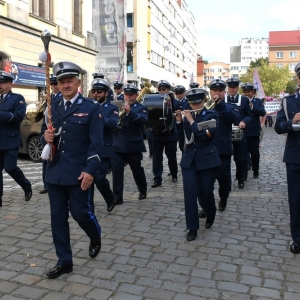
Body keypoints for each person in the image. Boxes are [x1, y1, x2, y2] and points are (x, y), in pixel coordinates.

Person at [41, 62, 103, 278]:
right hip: (55, 172)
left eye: (69, 81)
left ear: (78, 82)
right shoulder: (52, 105)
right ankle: (64, 261)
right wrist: (45, 138)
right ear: (57, 84)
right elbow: (44, 135)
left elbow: (97, 144)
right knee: (57, 218)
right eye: (61, 82)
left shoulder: (91, 107)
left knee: (81, 213)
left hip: (79, 173)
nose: (65, 85)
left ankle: (95, 236)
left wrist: (90, 170)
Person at [175, 88, 221, 241]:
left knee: (206, 192)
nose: (195, 106)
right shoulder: (188, 115)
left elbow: (204, 136)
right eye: (192, 103)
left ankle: (210, 212)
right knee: (190, 194)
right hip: (189, 160)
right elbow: (181, 137)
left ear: (203, 101)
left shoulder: (211, 115)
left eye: (198, 102)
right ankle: (192, 228)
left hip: (207, 159)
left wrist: (191, 121)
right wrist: (179, 121)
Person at [275, 62, 300, 254]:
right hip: (294, 156)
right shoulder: (288, 101)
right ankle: (297, 238)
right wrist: (292, 122)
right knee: (296, 200)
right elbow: (278, 127)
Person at [0, 71, 32, 207]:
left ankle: (26, 185)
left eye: (2, 83)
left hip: (10, 140)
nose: (0, 86)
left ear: (9, 83)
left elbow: (18, 117)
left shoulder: (17, 98)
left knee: (10, 168)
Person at [112, 84, 148, 205]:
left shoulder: (141, 107)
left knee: (137, 170)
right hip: (118, 143)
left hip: (133, 145)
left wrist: (130, 112)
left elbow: (142, 121)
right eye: (126, 95)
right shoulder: (117, 105)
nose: (128, 97)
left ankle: (142, 190)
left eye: (131, 95)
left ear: (136, 95)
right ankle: (117, 196)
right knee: (117, 171)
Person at [207, 79, 238, 211]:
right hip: (206, 147)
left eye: (220, 91)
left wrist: (220, 104)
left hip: (222, 149)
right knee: (205, 181)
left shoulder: (229, 106)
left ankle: (223, 197)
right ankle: (206, 205)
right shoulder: (204, 106)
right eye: (215, 90)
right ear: (210, 92)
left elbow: (234, 118)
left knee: (223, 179)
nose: (217, 93)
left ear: (224, 92)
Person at [91, 78, 118, 212]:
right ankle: (88, 206)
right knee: (87, 177)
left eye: (99, 92)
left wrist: (98, 113)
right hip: (89, 148)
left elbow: (112, 124)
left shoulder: (112, 108)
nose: (96, 94)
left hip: (104, 148)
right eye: (94, 91)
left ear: (106, 93)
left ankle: (110, 198)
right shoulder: (88, 105)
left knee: (99, 178)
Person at [151, 80, 178, 187]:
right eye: (160, 90)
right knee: (157, 157)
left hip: (170, 134)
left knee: (171, 156)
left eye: (164, 89)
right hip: (157, 134)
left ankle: (174, 174)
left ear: (168, 90)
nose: (162, 92)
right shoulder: (154, 100)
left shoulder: (175, 102)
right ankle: (157, 178)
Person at [226, 78, 252, 189]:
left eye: (234, 87)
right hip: (225, 133)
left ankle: (240, 178)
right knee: (225, 158)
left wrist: (244, 121)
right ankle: (226, 182)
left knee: (240, 158)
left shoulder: (244, 100)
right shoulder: (223, 99)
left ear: (237, 88)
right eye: (230, 87)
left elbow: (249, 115)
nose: (232, 89)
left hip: (239, 132)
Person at [40, 74, 62, 194]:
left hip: (57, 135)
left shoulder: (60, 98)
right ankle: (46, 184)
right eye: (51, 84)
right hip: (47, 133)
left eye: (55, 83)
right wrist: (42, 137)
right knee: (45, 161)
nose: (53, 86)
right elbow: (43, 118)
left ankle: (50, 184)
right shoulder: (49, 98)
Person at [241, 83, 266, 179]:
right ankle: (245, 172)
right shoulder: (241, 101)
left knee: (254, 153)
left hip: (254, 131)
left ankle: (256, 170)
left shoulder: (258, 101)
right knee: (243, 153)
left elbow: (262, 112)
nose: (246, 94)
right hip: (243, 130)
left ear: (253, 92)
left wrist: (252, 107)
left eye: (248, 92)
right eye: (245, 92)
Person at [174, 85, 189, 152]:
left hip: (184, 125)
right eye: (177, 93)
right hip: (176, 124)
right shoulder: (173, 102)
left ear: (183, 93)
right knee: (180, 144)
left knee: (183, 144)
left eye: (180, 93)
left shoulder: (187, 102)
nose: (178, 95)